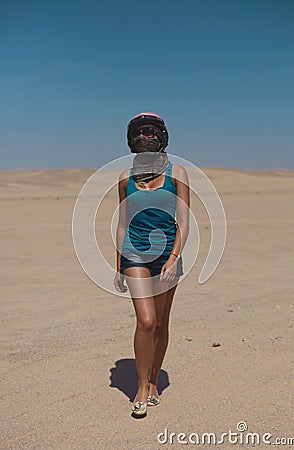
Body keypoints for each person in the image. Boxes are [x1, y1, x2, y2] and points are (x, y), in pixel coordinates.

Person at [114, 112, 190, 417]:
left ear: (162, 136)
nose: (148, 135)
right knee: (145, 320)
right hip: (135, 253)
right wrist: (119, 262)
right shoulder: (124, 178)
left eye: (153, 130)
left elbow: (183, 219)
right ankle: (142, 386)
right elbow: (122, 223)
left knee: (160, 322)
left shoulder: (178, 173)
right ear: (133, 138)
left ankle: (156, 379)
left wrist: (173, 257)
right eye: (141, 131)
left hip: (167, 255)